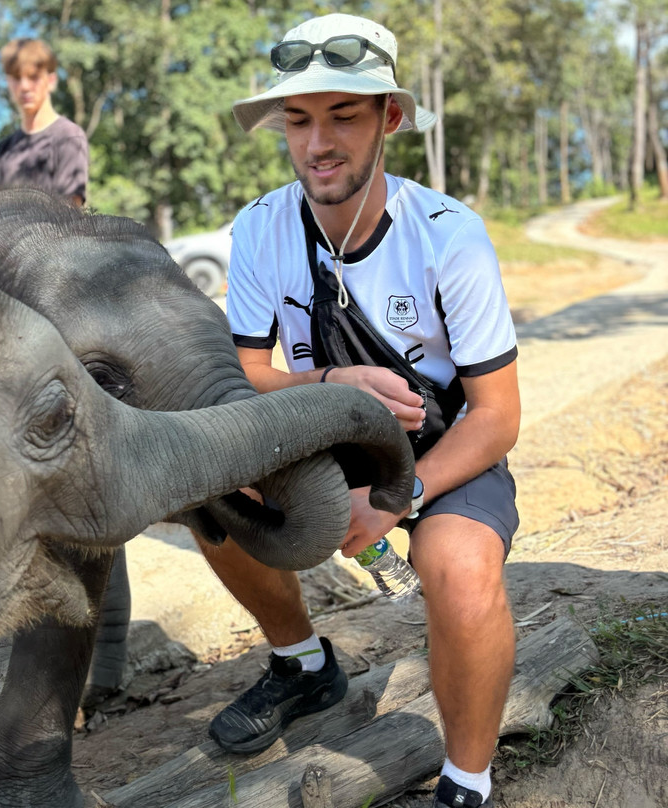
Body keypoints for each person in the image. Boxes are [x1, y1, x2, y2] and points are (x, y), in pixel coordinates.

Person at [204, 13, 520, 808]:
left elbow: (497, 416)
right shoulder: (260, 227)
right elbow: (247, 375)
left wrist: (395, 496)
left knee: (459, 572)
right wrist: (332, 383)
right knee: (205, 489)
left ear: (390, 118)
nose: (318, 143)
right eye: (298, 120)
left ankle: (467, 781)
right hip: (317, 438)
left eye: (343, 115)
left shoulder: (451, 237)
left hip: (439, 451)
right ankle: (303, 663)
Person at [0, 38, 89, 207]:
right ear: (8, 82)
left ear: (51, 81)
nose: (24, 86)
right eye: (16, 78)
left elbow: (69, 215)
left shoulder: (69, 137)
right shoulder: (4, 150)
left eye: (33, 77)